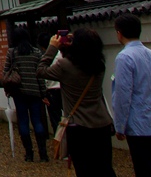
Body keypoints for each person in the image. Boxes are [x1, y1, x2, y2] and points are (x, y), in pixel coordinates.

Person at [37, 28, 115, 177]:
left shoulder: (64, 66)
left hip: (78, 126)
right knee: (104, 168)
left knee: (84, 169)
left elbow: (41, 70)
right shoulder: (99, 66)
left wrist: (53, 48)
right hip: (101, 123)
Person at [111, 13, 151, 177]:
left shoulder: (124, 57)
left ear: (119, 33)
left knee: (145, 168)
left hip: (138, 124)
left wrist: (119, 125)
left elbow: (122, 95)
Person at [3, 26, 48, 162]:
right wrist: (43, 92)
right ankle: (43, 153)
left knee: (23, 122)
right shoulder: (36, 53)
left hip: (19, 92)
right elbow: (40, 75)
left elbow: (6, 72)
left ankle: (29, 153)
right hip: (35, 92)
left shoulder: (12, 53)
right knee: (37, 121)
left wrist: (8, 89)